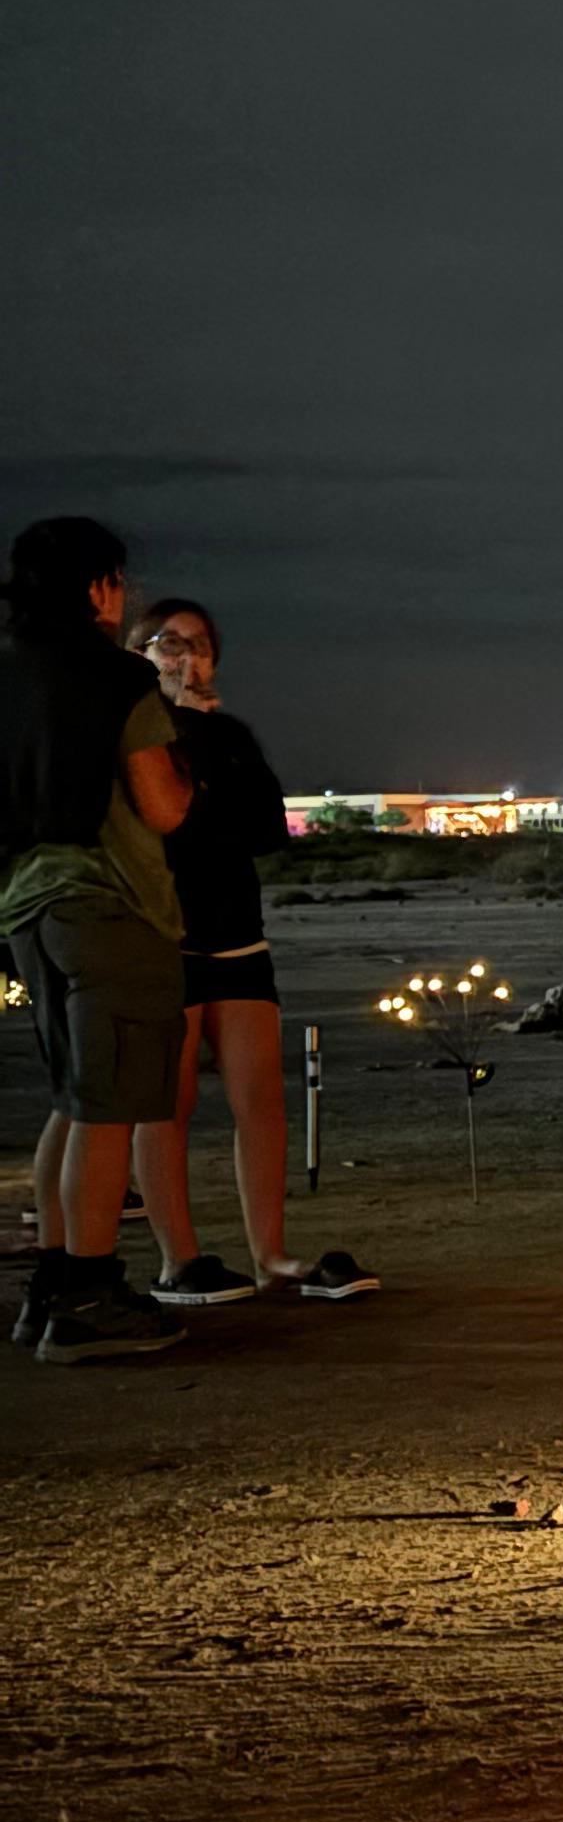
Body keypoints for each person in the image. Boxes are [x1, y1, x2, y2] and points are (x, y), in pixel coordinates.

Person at [129, 599, 372, 1306]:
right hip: (162, 935)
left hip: (237, 932)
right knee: (164, 1104)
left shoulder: (227, 732)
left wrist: (204, 735)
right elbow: (167, 819)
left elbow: (265, 824)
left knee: (261, 1098)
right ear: (138, 652)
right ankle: (180, 1260)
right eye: (166, 642)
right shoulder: (132, 733)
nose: (184, 656)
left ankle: (272, 1254)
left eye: (199, 644)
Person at [2, 518, 193, 1363]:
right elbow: (163, 806)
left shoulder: (8, 677)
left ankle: (52, 1286)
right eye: (119, 584)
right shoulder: (118, 679)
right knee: (111, 1108)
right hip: (112, 906)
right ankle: (88, 1294)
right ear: (96, 589)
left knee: (76, 1103)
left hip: (26, 911)